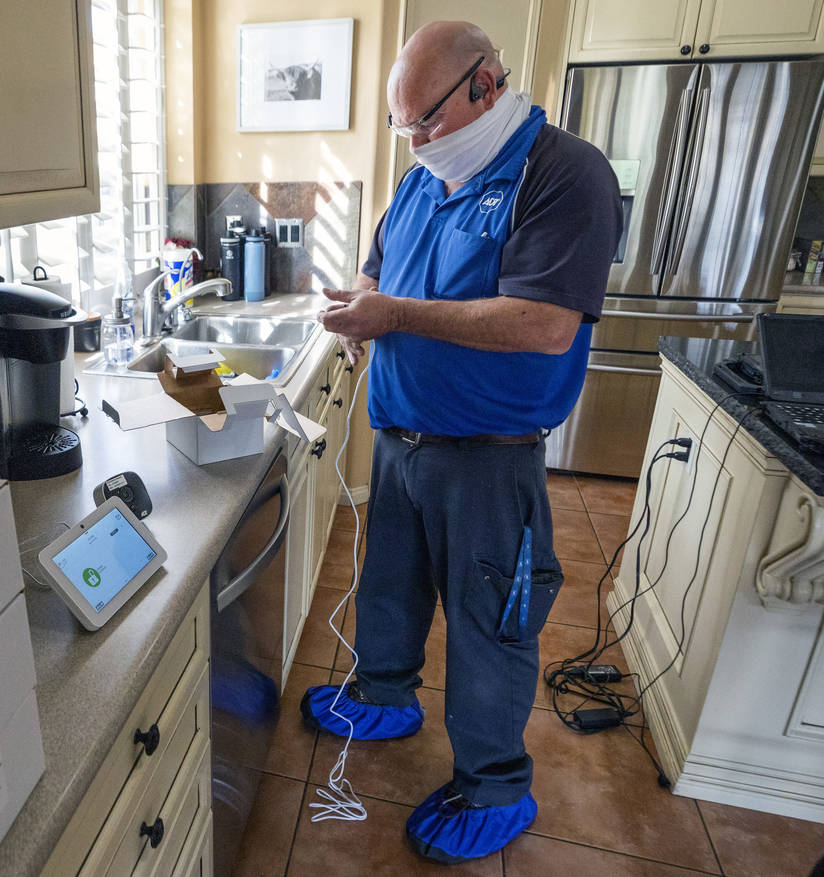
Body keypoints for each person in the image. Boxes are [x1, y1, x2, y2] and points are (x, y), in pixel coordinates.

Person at [300, 20, 622, 865]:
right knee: (390, 589)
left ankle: (495, 785)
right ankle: (385, 694)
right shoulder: (419, 181)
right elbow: (381, 273)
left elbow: (545, 323)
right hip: (400, 439)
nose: (415, 143)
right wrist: (358, 305)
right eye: (402, 128)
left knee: (489, 626)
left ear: (484, 84)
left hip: (489, 454)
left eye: (426, 122)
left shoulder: (562, 173)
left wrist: (393, 315)